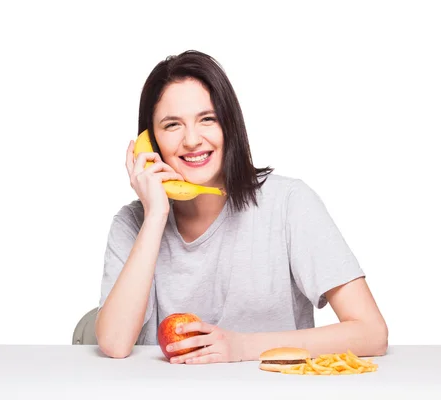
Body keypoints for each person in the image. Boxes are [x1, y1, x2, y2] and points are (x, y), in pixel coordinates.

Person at [95, 50, 388, 364]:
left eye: (207, 119)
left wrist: (241, 348)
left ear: (229, 126)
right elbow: (114, 344)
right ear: (150, 143)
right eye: (172, 125)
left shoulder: (289, 204)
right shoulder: (132, 223)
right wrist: (155, 214)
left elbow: (372, 333)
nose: (192, 140)